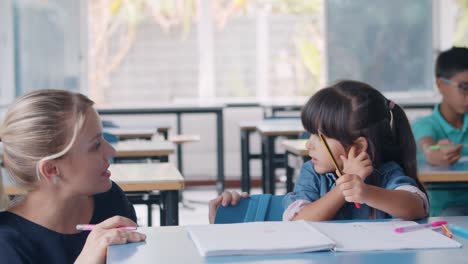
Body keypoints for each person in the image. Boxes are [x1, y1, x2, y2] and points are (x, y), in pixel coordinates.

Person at [210, 80, 428, 223]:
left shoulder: (386, 173)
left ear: (358, 147)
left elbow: (416, 207)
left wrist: (366, 192)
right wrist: (343, 190)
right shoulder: (313, 173)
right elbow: (300, 221)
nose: (308, 145)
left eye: (318, 137)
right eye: (309, 135)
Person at [0, 89, 146, 263]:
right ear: (52, 169)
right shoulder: (7, 245)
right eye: (96, 145)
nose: (111, 151)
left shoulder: (110, 199)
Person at [412, 47, 468, 216]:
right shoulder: (425, 125)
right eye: (464, 87)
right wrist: (432, 151)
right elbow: (427, 146)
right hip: (445, 214)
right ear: (441, 84)